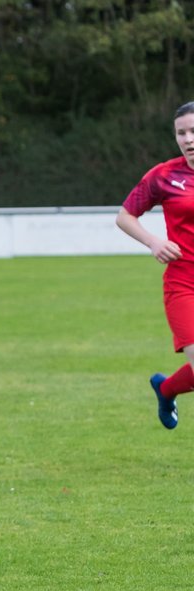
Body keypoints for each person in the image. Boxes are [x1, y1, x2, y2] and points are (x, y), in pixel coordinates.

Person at [118, 102, 194, 431]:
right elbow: (124, 217)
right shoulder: (164, 175)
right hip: (183, 284)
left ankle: (165, 389)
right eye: (181, 132)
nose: (188, 138)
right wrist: (154, 242)